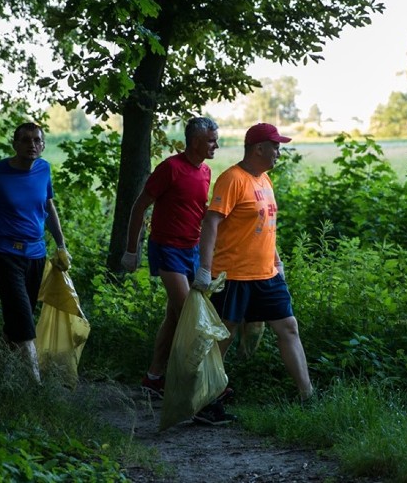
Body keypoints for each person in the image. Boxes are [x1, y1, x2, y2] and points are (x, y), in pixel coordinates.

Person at [192, 122, 314, 425]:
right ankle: (206, 403)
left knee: (288, 328)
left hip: (266, 275)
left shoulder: (265, 180)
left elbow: (265, 228)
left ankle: (308, 396)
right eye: (275, 146)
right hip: (234, 275)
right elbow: (211, 223)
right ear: (258, 148)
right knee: (223, 337)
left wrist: (278, 262)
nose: (279, 152)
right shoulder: (232, 179)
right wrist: (205, 270)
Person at [121, 117, 220, 399]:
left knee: (175, 318)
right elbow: (140, 206)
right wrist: (131, 250)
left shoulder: (205, 171)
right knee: (191, 316)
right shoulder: (170, 168)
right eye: (212, 140)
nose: (216, 145)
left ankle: (153, 378)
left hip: (191, 251)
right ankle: (200, 383)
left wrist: (208, 254)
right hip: (167, 249)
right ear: (196, 141)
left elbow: (198, 213)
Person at [0, 122, 67, 382]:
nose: (31, 145)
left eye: (37, 140)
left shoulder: (44, 169)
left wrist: (62, 245)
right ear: (15, 144)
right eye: (25, 140)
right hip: (4, 254)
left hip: (36, 255)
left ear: (43, 145)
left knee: (17, 320)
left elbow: (48, 206)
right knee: (23, 323)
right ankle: (36, 387)